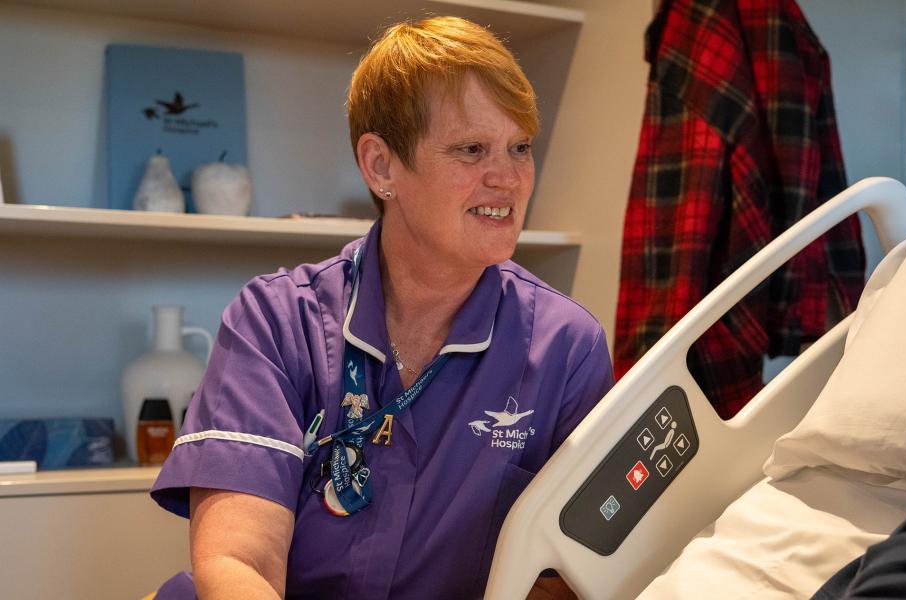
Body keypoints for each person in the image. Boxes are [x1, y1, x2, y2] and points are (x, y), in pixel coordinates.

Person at [150, 16, 614, 599]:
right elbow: (241, 561)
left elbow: (564, 578)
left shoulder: (567, 346)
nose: (509, 179)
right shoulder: (274, 323)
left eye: (519, 148)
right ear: (381, 166)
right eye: (471, 149)